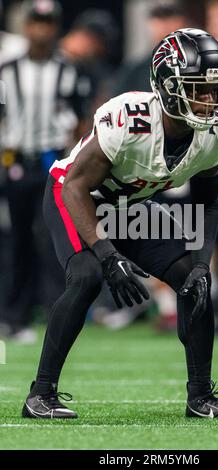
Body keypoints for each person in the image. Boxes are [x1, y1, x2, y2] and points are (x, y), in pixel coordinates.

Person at [22, 28, 218, 419]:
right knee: (89, 275)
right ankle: (40, 395)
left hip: (129, 204)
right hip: (75, 195)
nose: (209, 101)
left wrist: (198, 263)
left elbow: (208, 203)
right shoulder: (129, 117)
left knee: (194, 283)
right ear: (166, 84)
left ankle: (200, 397)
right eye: (197, 88)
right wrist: (109, 256)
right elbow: (76, 186)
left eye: (215, 89)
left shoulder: (217, 132)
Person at [0, 0, 91, 341]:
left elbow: (83, 118)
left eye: (48, 22)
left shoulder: (70, 69)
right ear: (27, 26)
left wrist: (75, 161)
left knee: (55, 239)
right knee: (17, 239)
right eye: (36, 22)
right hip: (16, 160)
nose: (41, 29)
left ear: (55, 27)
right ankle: (14, 316)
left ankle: (59, 314)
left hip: (54, 160)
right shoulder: (7, 70)